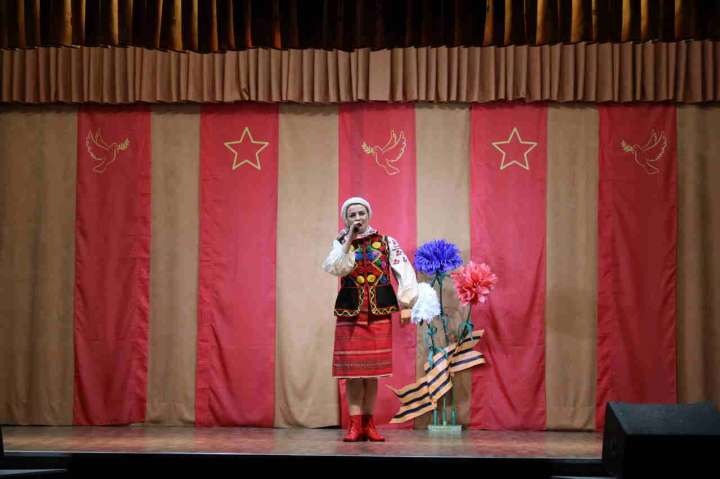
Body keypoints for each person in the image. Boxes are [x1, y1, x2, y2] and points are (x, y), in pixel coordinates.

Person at [322, 197, 418, 442]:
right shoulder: (341, 244)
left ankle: (369, 424)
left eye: (361, 213)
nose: (357, 218)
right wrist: (348, 241)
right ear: (346, 219)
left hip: (378, 313)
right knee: (353, 374)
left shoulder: (387, 242)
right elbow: (336, 268)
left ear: (368, 215)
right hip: (350, 313)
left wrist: (407, 303)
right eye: (352, 215)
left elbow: (404, 270)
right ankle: (354, 425)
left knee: (372, 373)